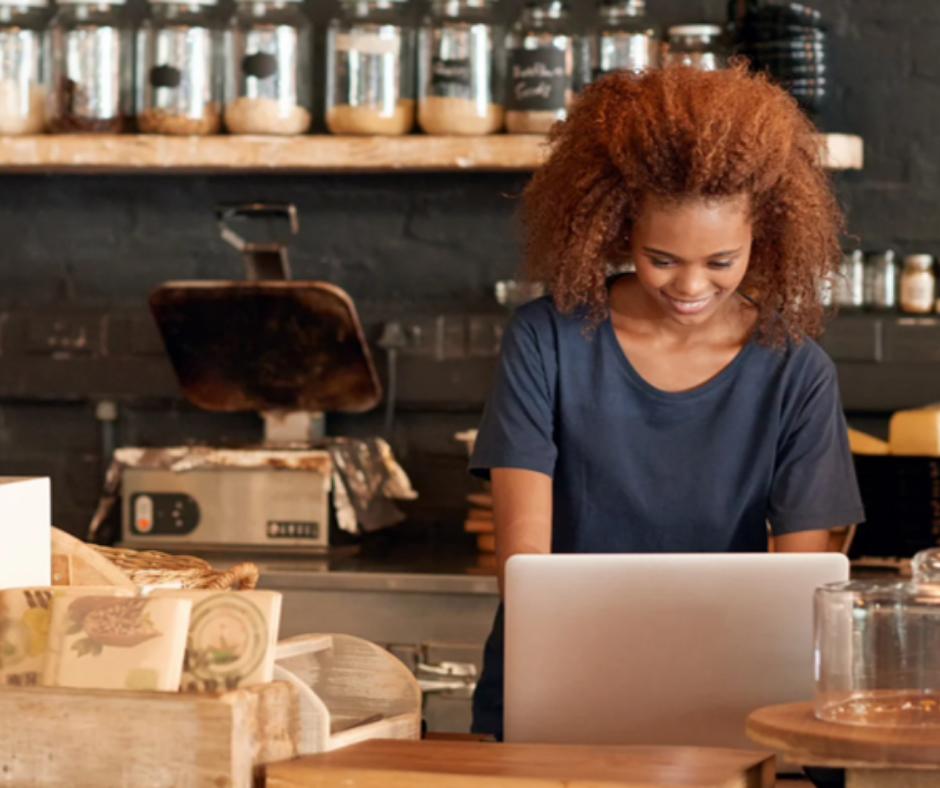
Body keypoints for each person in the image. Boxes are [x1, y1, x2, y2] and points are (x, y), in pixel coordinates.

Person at [468, 64, 865, 739]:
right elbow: (524, 566)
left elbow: (801, 601)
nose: (689, 285)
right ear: (620, 229)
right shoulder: (547, 341)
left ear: (762, 239)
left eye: (720, 262)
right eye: (661, 258)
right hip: (552, 696)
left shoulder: (798, 374)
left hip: (732, 707)